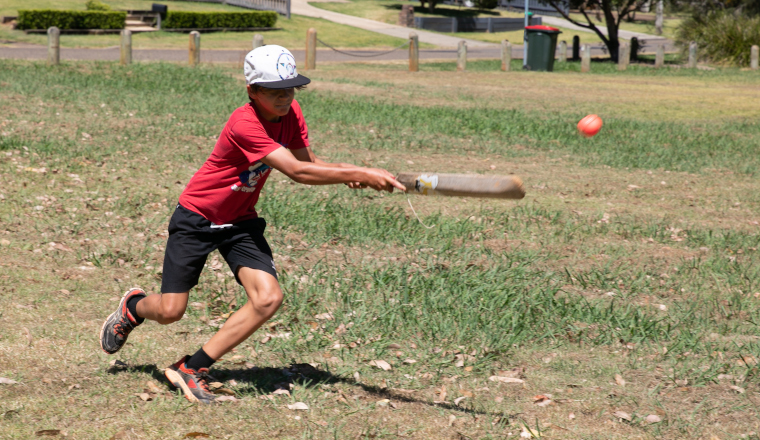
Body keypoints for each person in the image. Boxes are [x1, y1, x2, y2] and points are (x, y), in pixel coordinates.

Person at [99, 45, 405, 404]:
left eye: (290, 89)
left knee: (267, 299)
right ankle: (133, 307)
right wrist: (358, 171)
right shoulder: (244, 123)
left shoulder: (291, 114)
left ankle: (191, 368)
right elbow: (297, 172)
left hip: (240, 220)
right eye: (274, 91)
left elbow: (309, 160)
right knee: (170, 311)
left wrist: (350, 176)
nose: (284, 98)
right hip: (197, 217)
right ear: (252, 91)